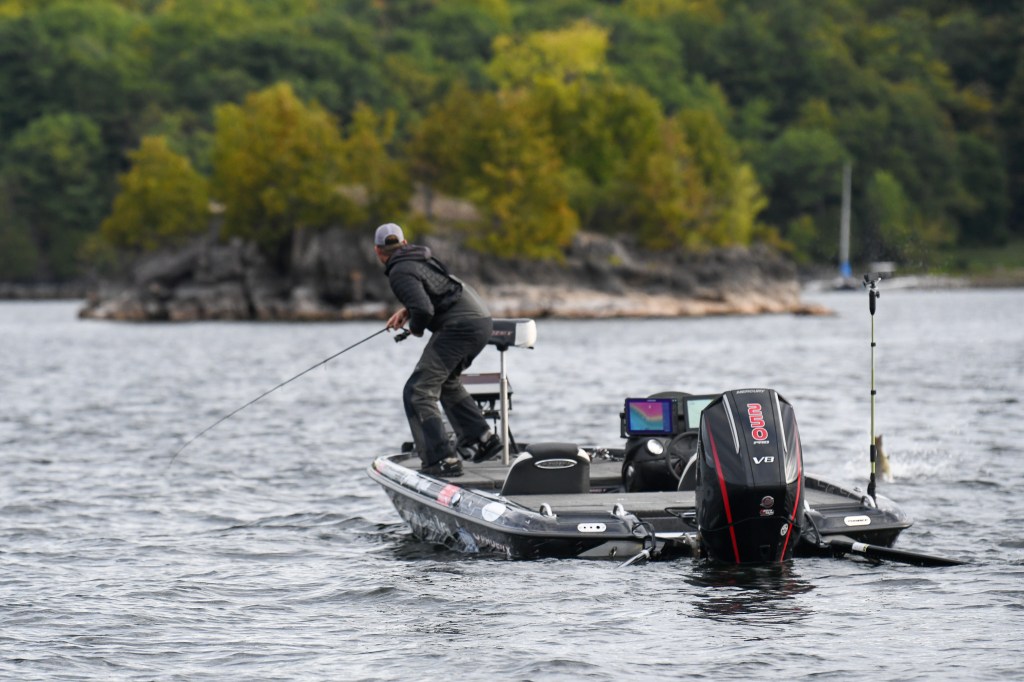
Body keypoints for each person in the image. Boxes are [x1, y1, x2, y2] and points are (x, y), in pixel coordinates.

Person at [373, 222, 502, 476]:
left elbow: (424, 309)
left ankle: (442, 459)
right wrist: (408, 311)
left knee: (418, 391)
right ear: (404, 243)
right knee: (445, 382)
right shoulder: (419, 257)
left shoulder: (399, 270)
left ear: (377, 251)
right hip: (481, 322)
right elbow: (437, 292)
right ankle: (482, 439)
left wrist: (416, 327)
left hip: (461, 327)